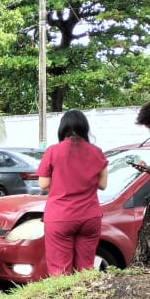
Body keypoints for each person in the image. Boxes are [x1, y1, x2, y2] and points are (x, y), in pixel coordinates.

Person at [36, 110, 109, 276]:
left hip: (61, 216)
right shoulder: (97, 152)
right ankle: (84, 293)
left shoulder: (53, 151)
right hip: (90, 217)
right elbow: (102, 185)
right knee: (85, 270)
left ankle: (64, 294)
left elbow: (43, 184)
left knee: (60, 272)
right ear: (84, 128)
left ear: (62, 128)